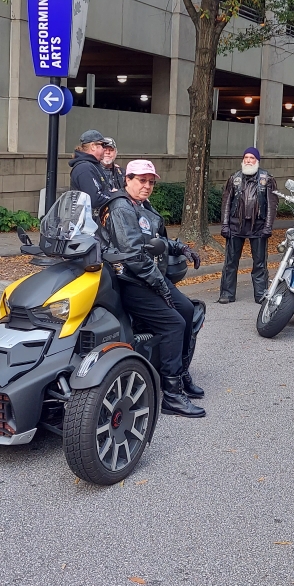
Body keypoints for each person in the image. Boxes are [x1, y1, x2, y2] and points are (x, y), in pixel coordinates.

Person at [99, 160, 205, 416]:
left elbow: (155, 240)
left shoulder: (141, 206)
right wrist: (161, 286)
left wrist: (181, 248)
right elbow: (133, 255)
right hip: (132, 282)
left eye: (151, 182)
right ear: (128, 180)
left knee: (189, 312)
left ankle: (179, 373)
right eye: (141, 180)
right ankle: (171, 395)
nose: (147, 186)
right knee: (174, 324)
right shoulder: (121, 207)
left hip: (152, 278)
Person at [218, 147, 278, 305]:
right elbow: (226, 203)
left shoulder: (267, 178)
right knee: (230, 262)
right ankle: (227, 293)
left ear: (257, 161)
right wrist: (225, 225)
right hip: (235, 226)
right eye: (246, 157)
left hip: (258, 226)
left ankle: (261, 294)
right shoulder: (234, 178)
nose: (249, 160)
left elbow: (272, 205)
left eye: (252, 157)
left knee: (259, 263)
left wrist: (268, 226)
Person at [69, 129, 114, 212]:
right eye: (103, 145)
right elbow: (94, 199)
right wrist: (115, 196)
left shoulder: (92, 165)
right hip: (87, 222)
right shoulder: (84, 168)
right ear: (93, 146)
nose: (105, 149)